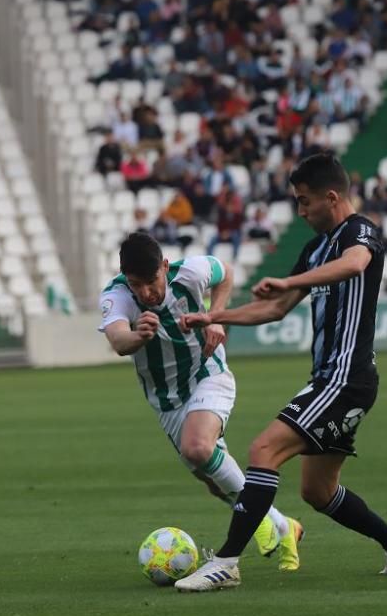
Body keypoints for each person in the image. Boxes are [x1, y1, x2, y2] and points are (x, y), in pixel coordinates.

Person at [174, 153, 387, 592]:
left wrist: (292, 282)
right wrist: (216, 317)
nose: (301, 211)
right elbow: (274, 308)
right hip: (331, 379)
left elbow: (355, 264)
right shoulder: (314, 248)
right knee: (318, 491)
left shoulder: (358, 231)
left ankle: (228, 562)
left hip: (346, 378)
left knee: (263, 449)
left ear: (332, 197)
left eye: (305, 202)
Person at [98, 233, 302, 573]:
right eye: (137, 284)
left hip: (208, 372)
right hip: (167, 401)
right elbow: (118, 340)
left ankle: (262, 524)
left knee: (197, 447)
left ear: (164, 267)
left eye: (151, 281)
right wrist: (138, 336)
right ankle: (283, 524)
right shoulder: (117, 295)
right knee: (211, 479)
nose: (146, 292)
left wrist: (217, 317)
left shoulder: (190, 272)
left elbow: (226, 272)